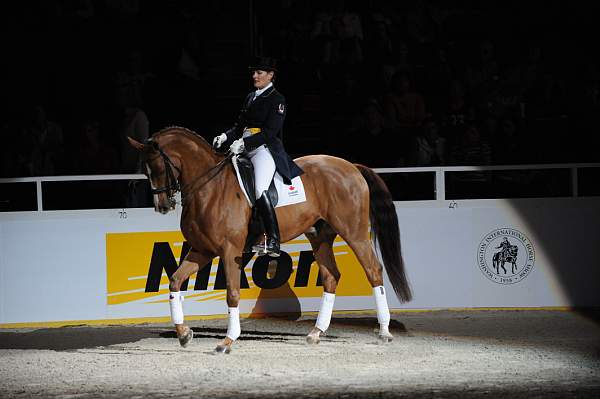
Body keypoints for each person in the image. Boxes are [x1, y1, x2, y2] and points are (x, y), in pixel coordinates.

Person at [212, 56, 303, 257]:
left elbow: (271, 131)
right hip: (242, 147)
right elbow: (239, 127)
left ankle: (273, 239)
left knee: (260, 187)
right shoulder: (251, 97)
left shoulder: (277, 99)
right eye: (253, 73)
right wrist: (225, 136)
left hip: (264, 149)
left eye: (260, 72)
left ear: (271, 75)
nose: (255, 76)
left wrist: (245, 143)